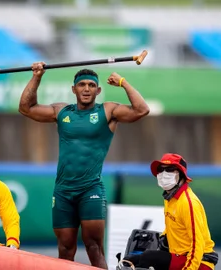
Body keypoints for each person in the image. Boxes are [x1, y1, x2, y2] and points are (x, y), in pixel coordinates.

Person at [18, 62, 150, 268]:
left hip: (91, 190)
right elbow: (26, 108)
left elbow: (142, 110)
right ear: (74, 89)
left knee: (94, 247)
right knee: (65, 248)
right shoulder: (61, 111)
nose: (86, 89)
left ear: (98, 90)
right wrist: (37, 76)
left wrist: (123, 83)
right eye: (82, 85)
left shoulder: (108, 111)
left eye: (91, 85)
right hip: (63, 191)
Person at [122, 153, 219, 270]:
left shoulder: (188, 203)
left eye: (170, 169)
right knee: (131, 259)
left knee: (148, 258)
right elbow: (173, 227)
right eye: (161, 170)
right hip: (180, 256)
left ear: (181, 174)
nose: (164, 174)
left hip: (199, 263)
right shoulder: (170, 198)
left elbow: (197, 244)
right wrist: (163, 239)